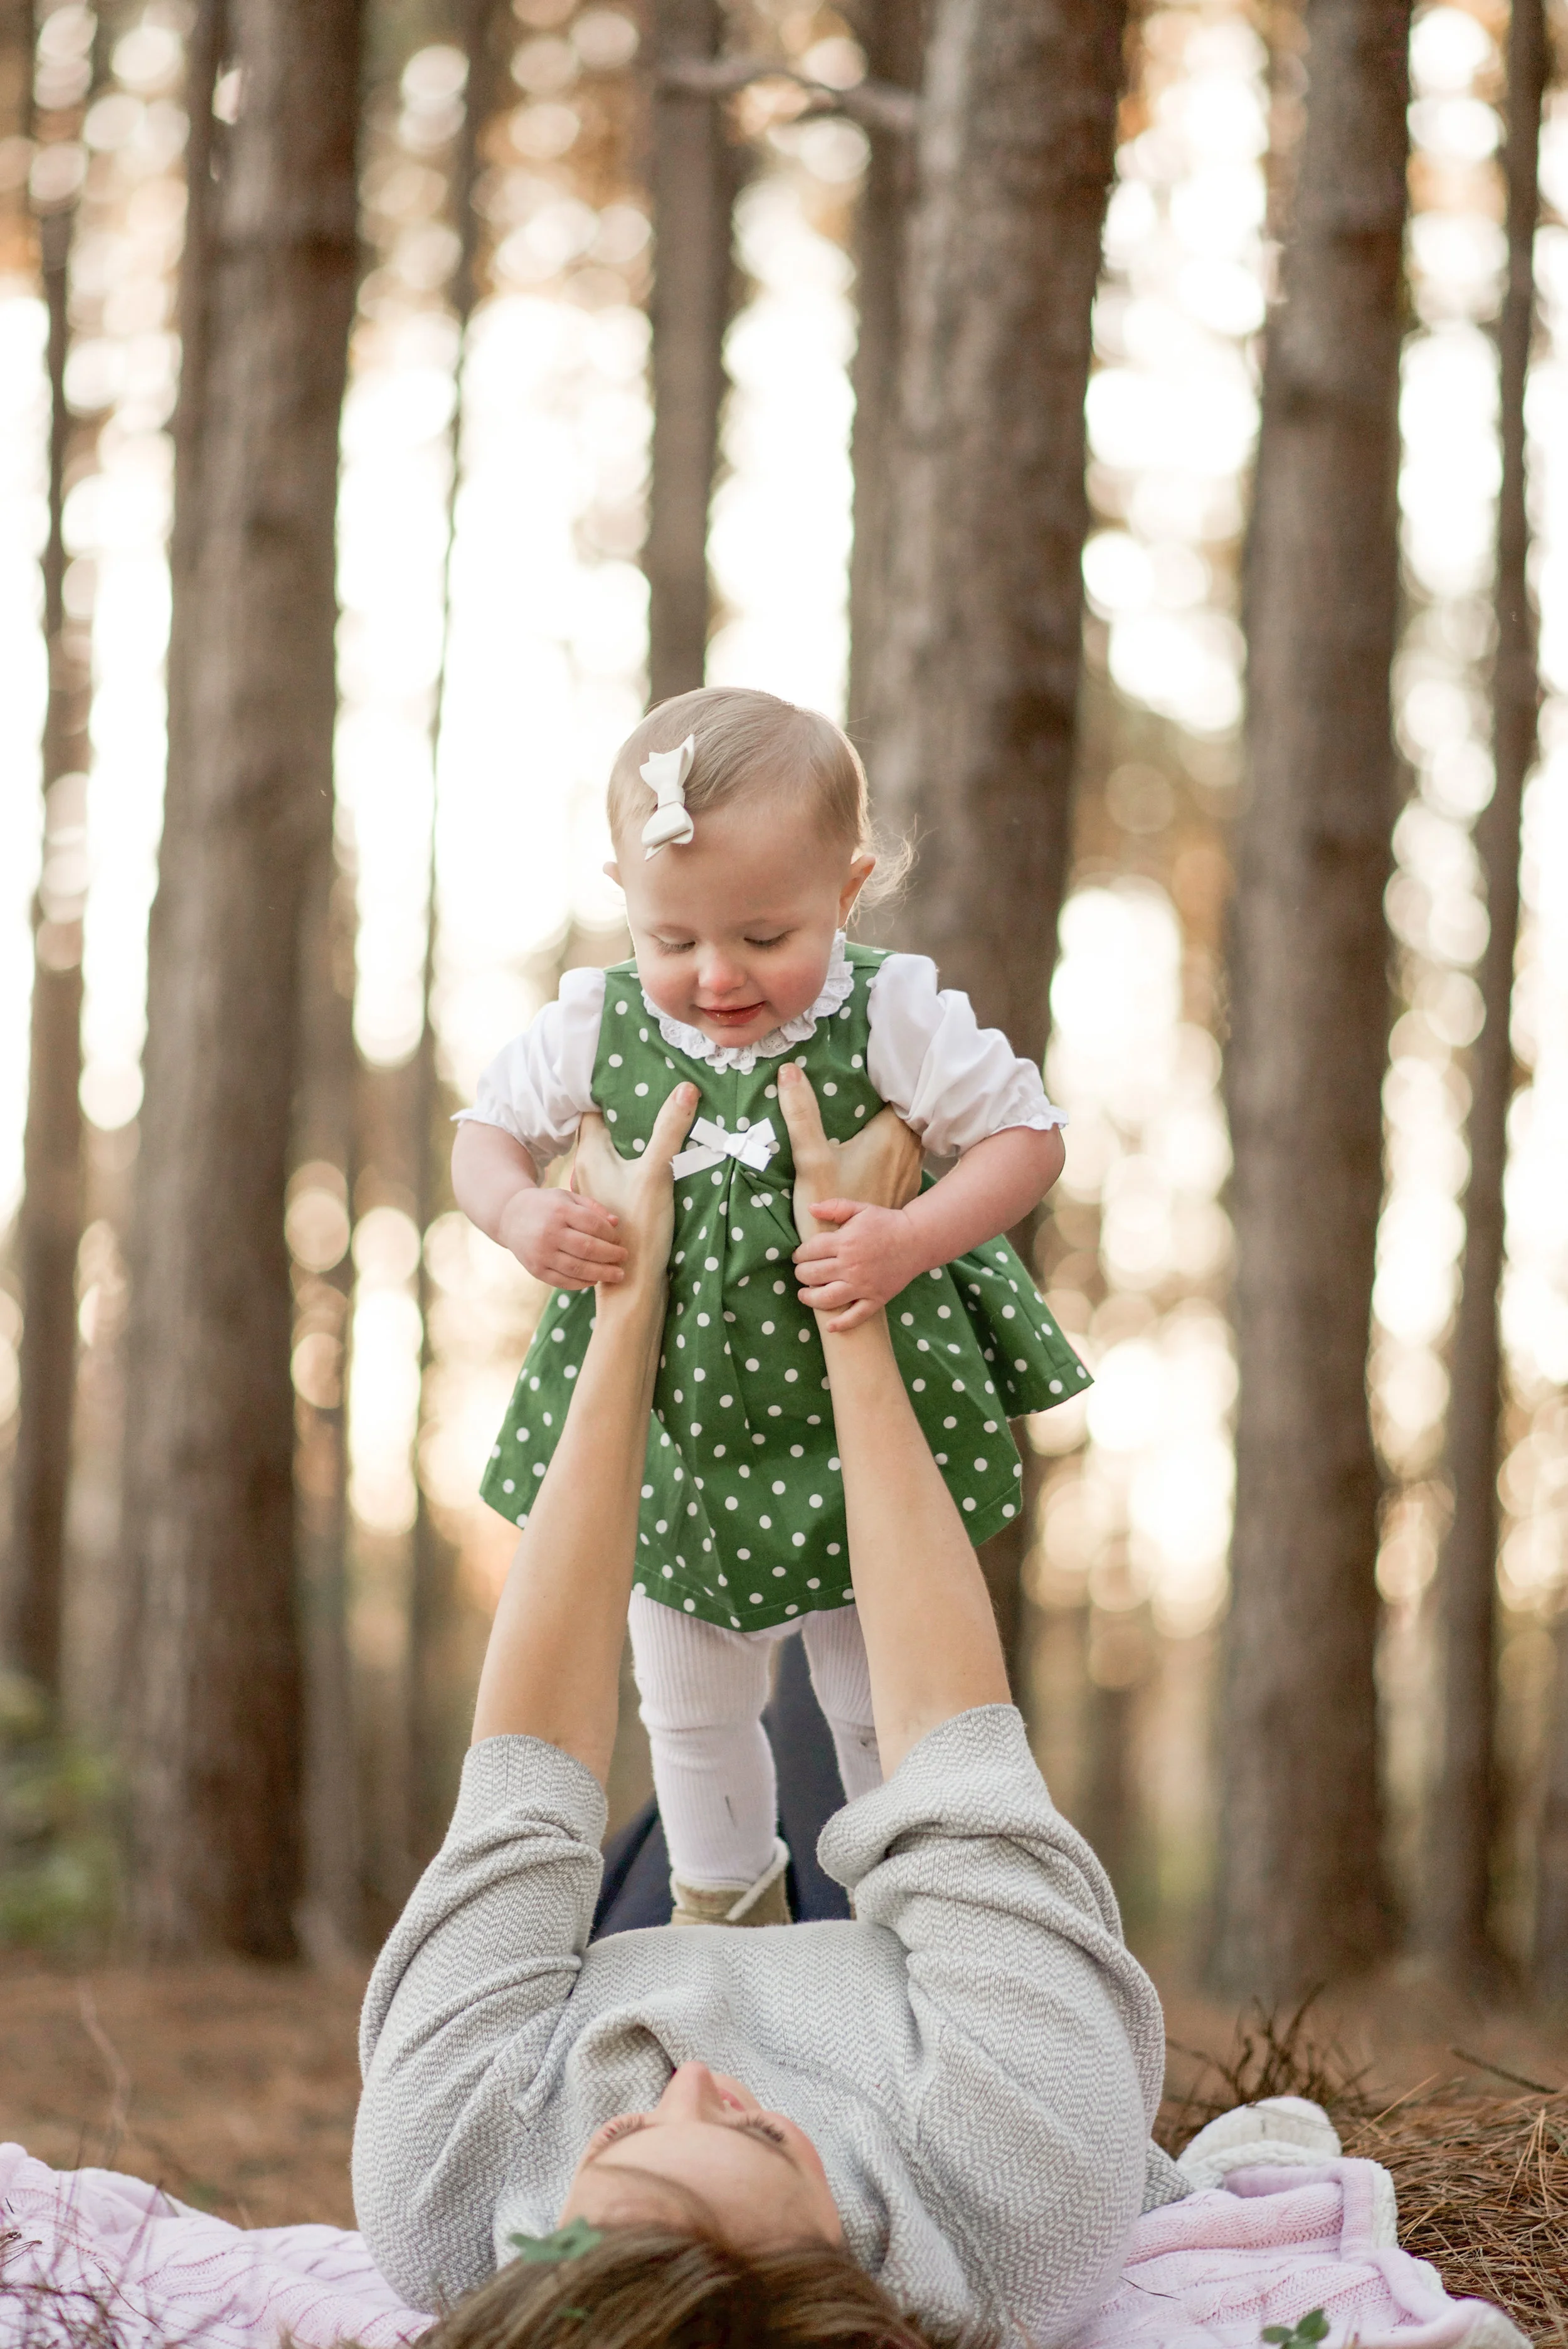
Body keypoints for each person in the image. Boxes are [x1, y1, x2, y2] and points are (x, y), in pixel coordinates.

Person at [353, 1069, 1186, 2349]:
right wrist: (851, 1295)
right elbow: (952, 1763)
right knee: (833, 1717)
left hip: (634, 1942)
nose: (691, 2076)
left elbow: (529, 1771)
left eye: (622, 2135)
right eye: (754, 2133)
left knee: (695, 1726)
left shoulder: (441, 2193)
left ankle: (730, 1927)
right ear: (840, 2287)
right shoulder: (1021, 2191)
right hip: (911, 1983)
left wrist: (631, 1305)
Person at [450, 685, 1089, 1924]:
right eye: (673, 939)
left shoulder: (887, 1012)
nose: (716, 975)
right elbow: (486, 1132)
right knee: (688, 1702)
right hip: (678, 1429)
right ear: (624, 899)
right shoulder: (593, 1023)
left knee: (878, 1698)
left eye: (762, 934)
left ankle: (905, 1916)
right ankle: (725, 1919)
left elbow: (1026, 1135)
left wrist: (908, 1238)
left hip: (858, 1433)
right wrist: (520, 1213)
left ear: (846, 893)